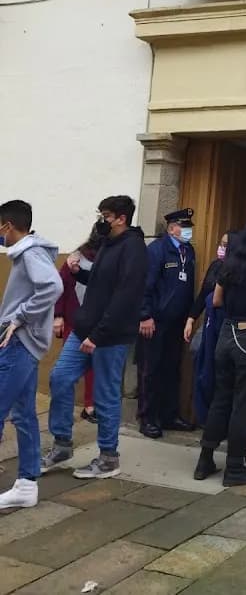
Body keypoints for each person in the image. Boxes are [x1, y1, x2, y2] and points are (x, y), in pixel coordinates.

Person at [43, 196, 147, 480]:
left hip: (109, 336)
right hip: (83, 329)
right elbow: (102, 284)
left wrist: (99, 335)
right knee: (60, 378)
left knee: (106, 396)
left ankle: (108, 458)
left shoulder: (133, 248)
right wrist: (79, 275)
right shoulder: (107, 245)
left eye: (106, 215)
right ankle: (62, 444)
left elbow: (125, 295)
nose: (101, 220)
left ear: (121, 218)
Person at [193, 222, 246, 487]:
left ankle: (205, 459)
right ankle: (235, 466)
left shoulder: (228, 267)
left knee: (221, 398)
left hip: (226, 334)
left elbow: (216, 301)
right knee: (243, 403)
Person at [0, 200, 63, 510]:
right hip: (23, 343)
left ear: (7, 226)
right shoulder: (27, 253)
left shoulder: (30, 253)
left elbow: (52, 286)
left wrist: (20, 317)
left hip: (18, 344)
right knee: (24, 413)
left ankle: (26, 483)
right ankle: (26, 485)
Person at [137, 208, 196, 438]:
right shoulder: (157, 250)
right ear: (172, 228)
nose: (188, 231)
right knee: (150, 370)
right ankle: (147, 417)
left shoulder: (188, 251)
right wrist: (145, 315)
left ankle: (169, 415)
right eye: (185, 226)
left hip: (177, 322)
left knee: (172, 369)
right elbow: (146, 285)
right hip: (155, 321)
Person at [53, 224, 102, 423]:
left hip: (98, 322)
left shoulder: (108, 257)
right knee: (66, 371)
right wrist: (58, 316)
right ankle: (65, 418)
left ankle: (90, 406)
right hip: (74, 320)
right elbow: (60, 286)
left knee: (96, 365)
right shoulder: (76, 256)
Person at [184, 231, 230, 425]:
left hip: (225, 326)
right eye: (221, 243)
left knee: (220, 372)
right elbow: (204, 293)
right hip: (209, 323)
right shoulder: (216, 266)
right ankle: (203, 417)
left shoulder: (238, 270)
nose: (222, 248)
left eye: (226, 245)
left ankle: (218, 420)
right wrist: (191, 318)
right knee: (199, 358)